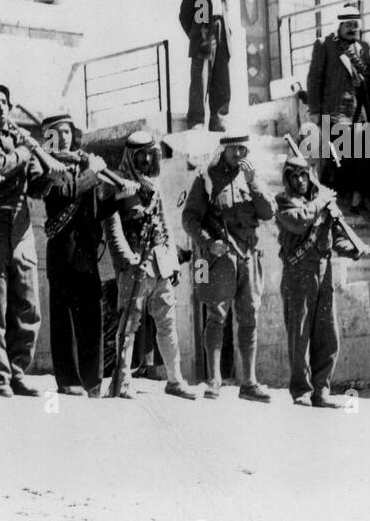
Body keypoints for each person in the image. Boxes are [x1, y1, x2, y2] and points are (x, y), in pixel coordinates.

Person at [0, 83, 63, 397]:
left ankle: (18, 371)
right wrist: (25, 150)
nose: (1, 108)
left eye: (5, 102)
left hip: (21, 226)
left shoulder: (18, 139)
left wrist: (50, 172)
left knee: (27, 302)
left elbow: (35, 186)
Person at [182, 131, 274, 402]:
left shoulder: (251, 176)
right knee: (216, 316)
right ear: (222, 149)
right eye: (233, 149)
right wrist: (208, 243)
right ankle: (214, 379)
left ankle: (249, 382)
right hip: (220, 257)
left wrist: (253, 181)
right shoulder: (206, 177)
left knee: (250, 318)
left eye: (242, 149)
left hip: (249, 255)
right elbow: (189, 218)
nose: (238, 154)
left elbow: (268, 212)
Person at [105, 131, 197, 401]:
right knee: (129, 324)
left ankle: (174, 379)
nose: (145, 159)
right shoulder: (117, 185)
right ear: (130, 157)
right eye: (139, 155)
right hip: (134, 266)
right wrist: (126, 260)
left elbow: (164, 224)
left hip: (159, 266)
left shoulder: (154, 186)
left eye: (149, 154)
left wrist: (172, 264)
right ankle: (122, 381)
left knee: (167, 324)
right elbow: (113, 227)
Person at [275, 154, 364, 407]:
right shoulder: (283, 201)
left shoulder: (321, 201)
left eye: (304, 174)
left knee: (327, 333)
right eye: (294, 176)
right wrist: (322, 200)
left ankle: (321, 389)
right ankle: (301, 390)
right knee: (300, 334)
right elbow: (300, 220)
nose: (300, 180)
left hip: (324, 272)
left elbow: (335, 235)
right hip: (298, 272)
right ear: (288, 179)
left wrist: (354, 249)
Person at [40, 113, 112, 397]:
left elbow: (98, 208)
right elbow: (63, 193)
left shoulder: (84, 161)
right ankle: (68, 380)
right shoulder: (47, 164)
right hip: (61, 251)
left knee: (92, 317)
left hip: (86, 252)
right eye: (57, 132)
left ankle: (93, 381)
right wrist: (92, 175)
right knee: (63, 321)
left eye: (68, 131)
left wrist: (117, 193)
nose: (64, 137)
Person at [305, 7, 370, 198]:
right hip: (334, 112)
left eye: (355, 25)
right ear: (338, 26)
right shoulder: (325, 44)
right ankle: (345, 197)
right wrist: (314, 110)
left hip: (359, 112)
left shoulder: (362, 47)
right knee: (343, 155)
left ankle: (364, 199)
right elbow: (314, 78)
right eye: (348, 25)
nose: (352, 29)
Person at [179, 0, 232, 132]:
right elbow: (185, 15)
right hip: (203, 31)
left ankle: (217, 118)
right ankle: (196, 119)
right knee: (200, 76)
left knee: (221, 77)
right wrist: (195, 35)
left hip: (222, 31)